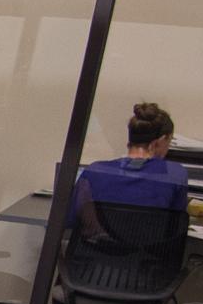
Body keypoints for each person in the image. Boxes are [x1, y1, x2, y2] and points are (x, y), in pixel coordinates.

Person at [71, 97, 188, 240]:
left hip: (95, 256)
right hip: (146, 257)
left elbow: (70, 221)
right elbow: (175, 228)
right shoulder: (175, 173)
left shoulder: (95, 170)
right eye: (169, 141)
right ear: (161, 140)